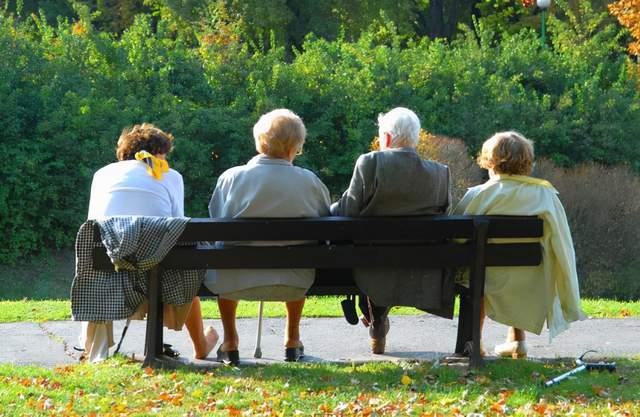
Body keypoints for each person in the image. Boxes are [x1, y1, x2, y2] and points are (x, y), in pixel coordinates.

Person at [81, 123, 218, 362]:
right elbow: (175, 224)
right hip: (159, 264)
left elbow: (93, 221)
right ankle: (201, 346)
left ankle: (92, 348)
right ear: (159, 154)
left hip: (110, 264)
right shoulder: (169, 175)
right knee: (184, 270)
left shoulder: (102, 174)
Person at [206, 109, 331, 365]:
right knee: (299, 253)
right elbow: (324, 223)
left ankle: (230, 342)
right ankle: (292, 340)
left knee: (226, 253)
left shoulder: (231, 178)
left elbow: (216, 219)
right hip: (294, 280)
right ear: (295, 147)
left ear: (259, 142)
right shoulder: (310, 182)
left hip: (234, 280)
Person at [331, 107, 452, 354]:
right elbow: (446, 216)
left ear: (385, 138)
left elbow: (348, 211)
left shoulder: (370, 162)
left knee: (373, 256)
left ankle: (376, 317)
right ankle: (378, 319)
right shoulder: (441, 173)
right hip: (422, 265)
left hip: (370, 263)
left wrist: (327, 207)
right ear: (416, 137)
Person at [454, 131, 586, 358]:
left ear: (490, 162)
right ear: (527, 162)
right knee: (517, 275)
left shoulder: (480, 194)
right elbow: (562, 241)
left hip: (485, 275)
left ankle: (474, 340)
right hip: (531, 274)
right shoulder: (545, 195)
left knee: (479, 273)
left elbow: (455, 236)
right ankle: (517, 340)